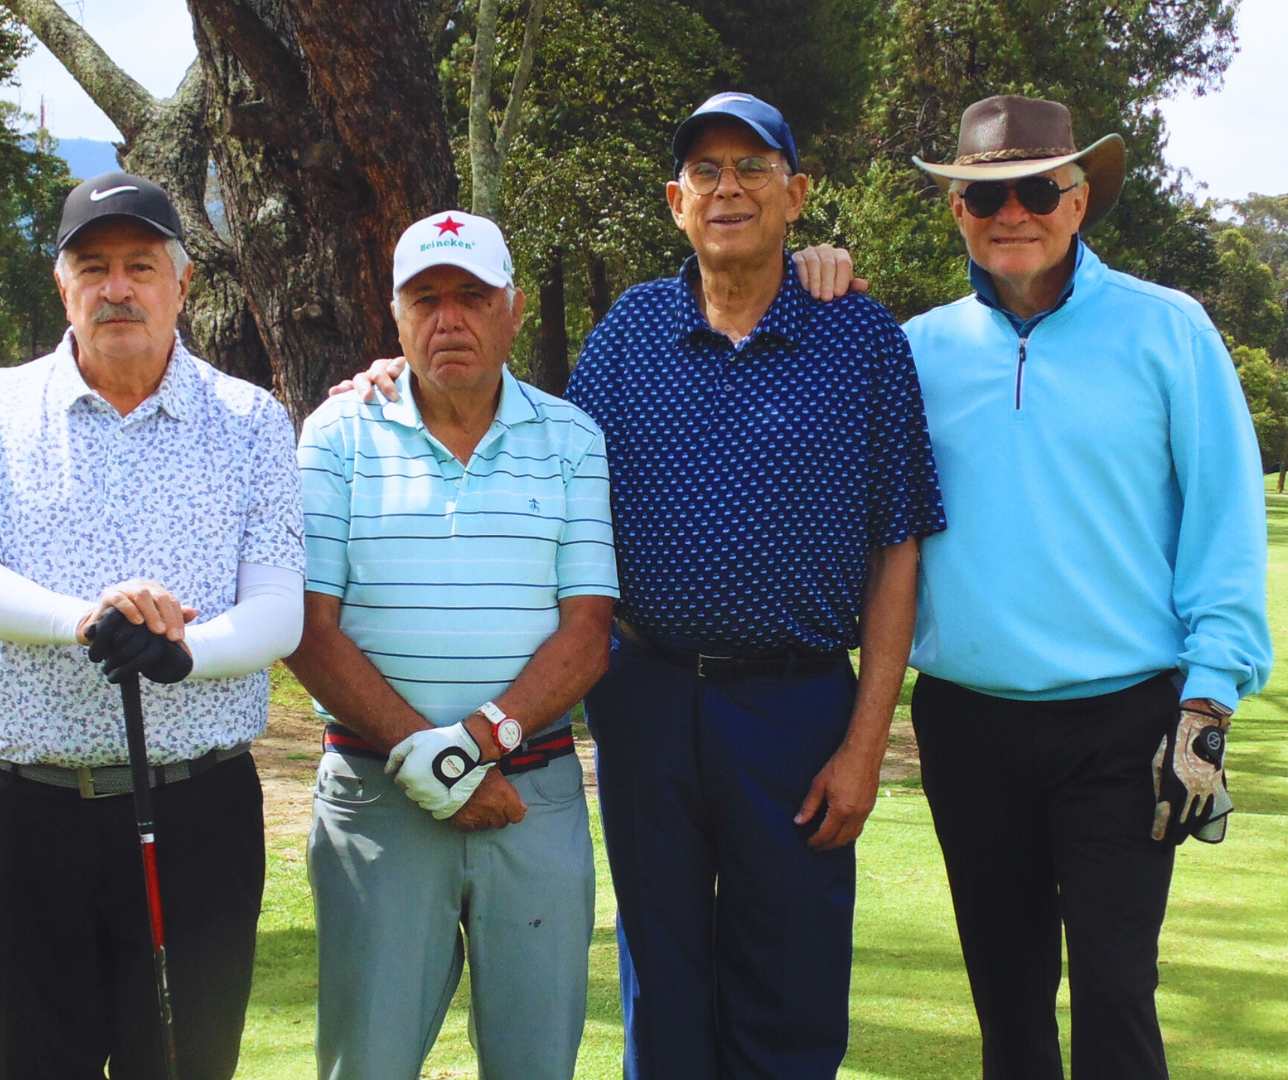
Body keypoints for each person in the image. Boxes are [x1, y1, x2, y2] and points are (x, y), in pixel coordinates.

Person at [342, 92, 945, 1079]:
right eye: (705, 172)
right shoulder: (631, 332)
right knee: (660, 974)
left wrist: (867, 741)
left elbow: (898, 548)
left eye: (752, 168)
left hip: (797, 705)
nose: (728, 188)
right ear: (675, 201)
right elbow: (528, 445)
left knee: (789, 978)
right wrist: (409, 377)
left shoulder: (862, 338)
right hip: (648, 697)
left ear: (797, 195)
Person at [891, 95, 1272, 1079]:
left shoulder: (1168, 329)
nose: (1010, 212)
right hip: (968, 725)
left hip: (1130, 725)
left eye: (1034, 190)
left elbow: (1223, 512)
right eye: (984, 197)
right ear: (957, 214)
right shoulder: (916, 350)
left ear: (1077, 200)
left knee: (1115, 991)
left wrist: (1211, 696)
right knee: (1008, 1003)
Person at [0, 171, 306, 1080]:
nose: (117, 287)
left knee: (182, 1060)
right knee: (37, 1060)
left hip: (198, 809)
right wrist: (86, 621)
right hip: (29, 809)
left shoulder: (250, 420)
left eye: (141, 265)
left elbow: (279, 609)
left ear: (183, 285)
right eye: (92, 266)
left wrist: (183, 655)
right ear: (63, 285)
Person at [286, 210, 619, 1080]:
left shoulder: (573, 438)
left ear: (511, 309)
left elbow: (588, 633)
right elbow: (308, 632)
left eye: (472, 296)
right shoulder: (336, 435)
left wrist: (469, 751)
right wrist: (427, 765)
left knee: (536, 1064)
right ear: (396, 318)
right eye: (425, 299)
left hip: (529, 792)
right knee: (369, 1063)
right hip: (374, 799)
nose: (449, 319)